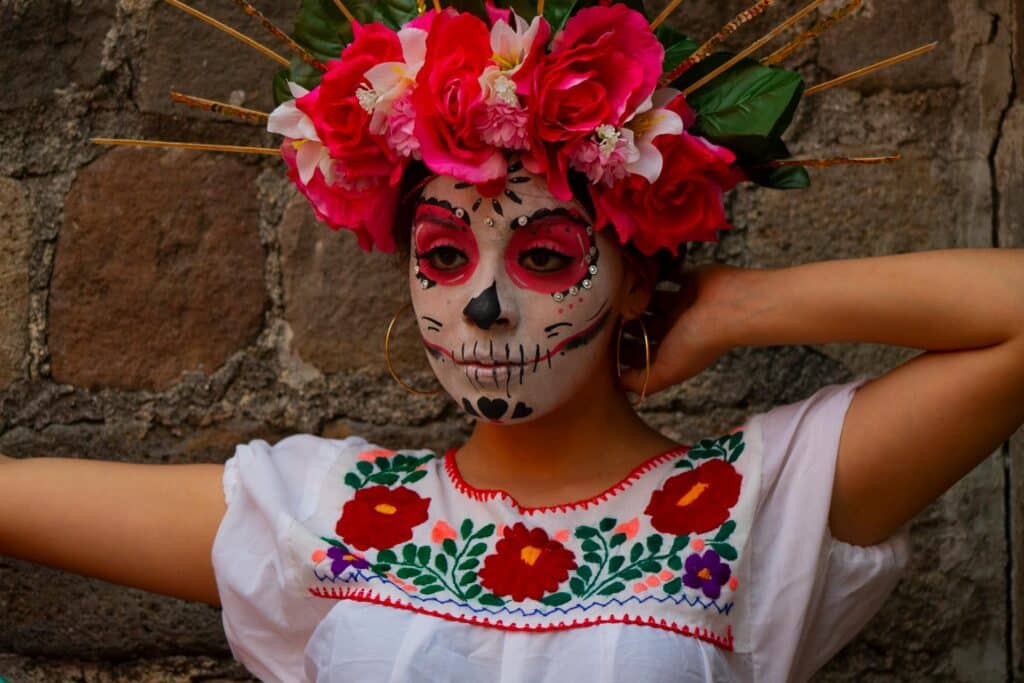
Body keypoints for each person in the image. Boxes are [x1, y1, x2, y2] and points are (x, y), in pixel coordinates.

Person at [2, 1, 1023, 681]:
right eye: (443, 256)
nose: (483, 306)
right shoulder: (324, 510)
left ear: (633, 276)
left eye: (542, 258)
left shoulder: (757, 499)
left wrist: (731, 308)